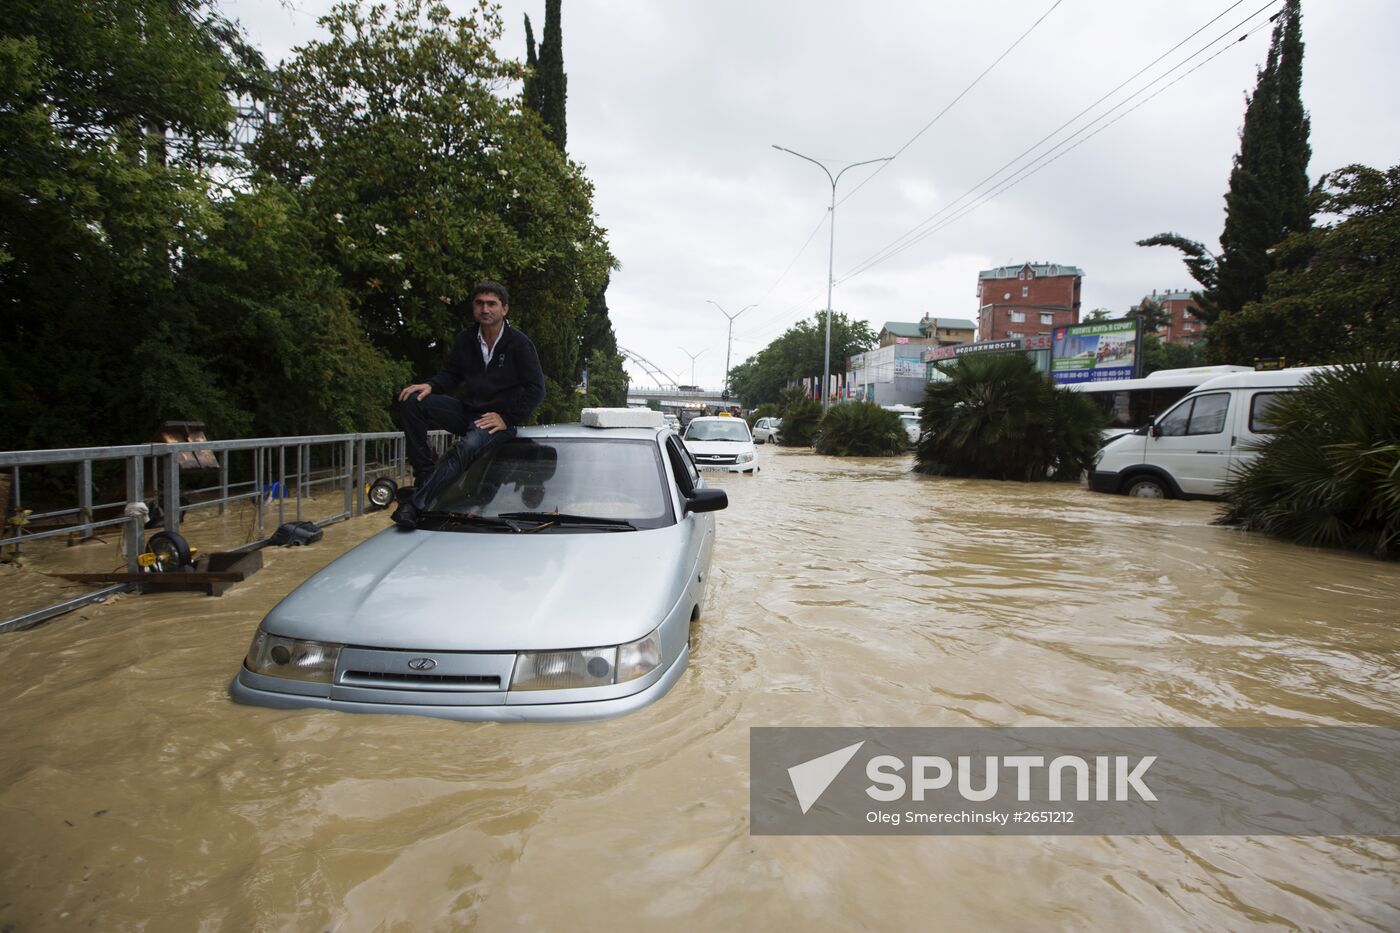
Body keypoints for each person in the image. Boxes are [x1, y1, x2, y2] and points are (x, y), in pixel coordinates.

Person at [391, 281, 546, 529]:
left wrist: (508, 418)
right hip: (466, 410)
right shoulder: (466, 339)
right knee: (413, 400)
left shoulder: (520, 344)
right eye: (480, 303)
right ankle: (426, 474)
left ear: (504, 309)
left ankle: (414, 505)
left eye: (492, 304)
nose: (485, 309)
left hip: (496, 421)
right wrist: (430, 386)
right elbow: (451, 374)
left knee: (466, 446)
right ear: (474, 307)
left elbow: (536, 389)